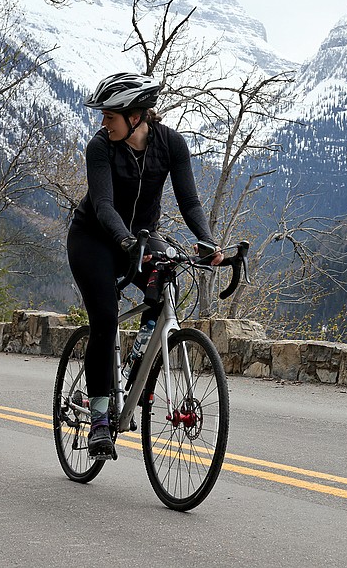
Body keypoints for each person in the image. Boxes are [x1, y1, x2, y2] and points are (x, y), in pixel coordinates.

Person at [68, 71, 223, 459]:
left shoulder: (170, 144)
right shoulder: (100, 147)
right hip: (94, 238)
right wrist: (123, 241)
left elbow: (189, 202)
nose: (103, 123)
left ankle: (138, 363)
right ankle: (101, 418)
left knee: (166, 275)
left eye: (110, 116)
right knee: (104, 318)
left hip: (137, 236)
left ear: (136, 116)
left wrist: (207, 242)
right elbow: (103, 205)